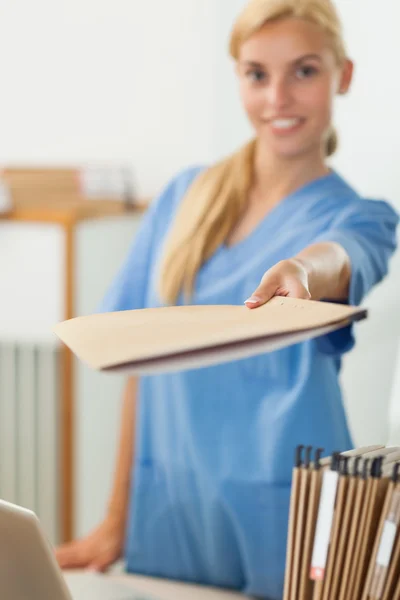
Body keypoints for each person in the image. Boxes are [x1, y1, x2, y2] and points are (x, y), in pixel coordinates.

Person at [55, 0, 399, 598]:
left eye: (305, 70)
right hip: (170, 503)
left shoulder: (362, 216)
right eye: (257, 74)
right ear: (237, 77)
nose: (278, 99)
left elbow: (342, 255)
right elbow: (138, 362)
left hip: (289, 510)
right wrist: (115, 519)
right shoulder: (186, 196)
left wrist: (301, 269)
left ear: (343, 75)